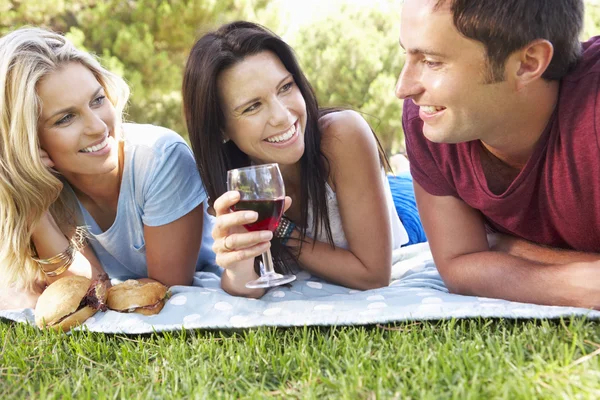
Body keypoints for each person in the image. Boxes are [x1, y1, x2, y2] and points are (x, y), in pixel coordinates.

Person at [396, 0, 599, 309]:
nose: (403, 88)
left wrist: (512, 249)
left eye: (432, 61)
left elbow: (473, 262)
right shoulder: (430, 121)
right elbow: (459, 266)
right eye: (407, 55)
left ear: (528, 63)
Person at [182, 21, 409, 298]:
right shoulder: (236, 178)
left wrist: (278, 229)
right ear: (220, 128)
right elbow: (247, 286)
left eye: (286, 87)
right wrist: (239, 266)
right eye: (253, 106)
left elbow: (374, 275)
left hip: (405, 211)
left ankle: (401, 167)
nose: (282, 116)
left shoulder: (342, 135)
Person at [0, 27, 215, 310]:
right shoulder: (46, 182)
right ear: (28, 139)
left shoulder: (161, 158)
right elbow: (88, 293)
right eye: (66, 118)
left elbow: (159, 294)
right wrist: (35, 209)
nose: (99, 127)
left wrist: (94, 291)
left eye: (97, 100)